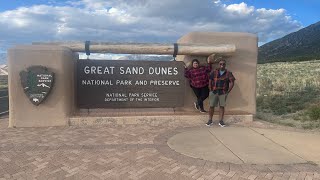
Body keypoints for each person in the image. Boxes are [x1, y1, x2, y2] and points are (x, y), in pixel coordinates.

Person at [206, 58, 235, 127]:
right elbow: (210, 80)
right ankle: (210, 120)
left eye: (223, 64)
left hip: (223, 92)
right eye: (220, 64)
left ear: (225, 65)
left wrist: (228, 91)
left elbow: (232, 82)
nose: (222, 65)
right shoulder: (214, 72)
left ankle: (221, 121)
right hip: (214, 92)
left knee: (222, 106)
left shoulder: (228, 73)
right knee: (211, 106)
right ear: (219, 65)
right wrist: (210, 89)